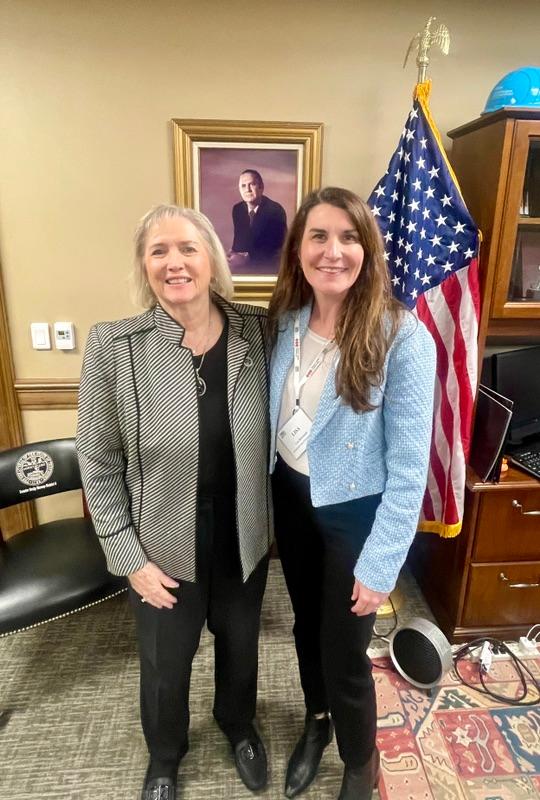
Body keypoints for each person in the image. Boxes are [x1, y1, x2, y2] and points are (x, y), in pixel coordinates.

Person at [76, 205, 272, 800]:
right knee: (166, 662)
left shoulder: (258, 330)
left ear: (211, 257)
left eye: (187, 247)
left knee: (241, 645)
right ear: (144, 265)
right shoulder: (114, 345)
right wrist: (129, 559)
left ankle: (238, 726)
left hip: (244, 531)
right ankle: (165, 755)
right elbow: (99, 463)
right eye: (159, 250)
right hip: (161, 541)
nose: (174, 262)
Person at [268, 187, 436, 800]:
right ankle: (316, 723)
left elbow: (410, 465)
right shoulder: (284, 322)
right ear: (299, 248)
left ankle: (361, 764)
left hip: (355, 516)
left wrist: (383, 563)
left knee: (344, 651)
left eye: (348, 237)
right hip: (290, 498)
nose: (332, 251)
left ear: (368, 250)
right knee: (305, 629)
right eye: (318, 236)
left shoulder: (401, 336)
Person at [228, 169, 287, 273]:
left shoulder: (275, 211)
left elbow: (276, 250)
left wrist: (246, 259)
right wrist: (233, 253)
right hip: (244, 268)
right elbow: (239, 241)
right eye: (243, 186)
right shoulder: (238, 209)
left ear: (261, 187)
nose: (247, 190)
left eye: (252, 184)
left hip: (268, 268)